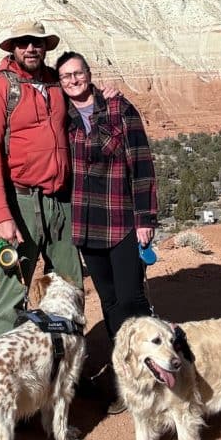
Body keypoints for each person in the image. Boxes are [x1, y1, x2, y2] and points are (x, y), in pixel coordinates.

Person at [56, 50, 157, 408]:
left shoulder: (118, 108)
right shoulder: (61, 117)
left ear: (89, 73)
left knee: (131, 299)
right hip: (86, 223)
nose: (73, 80)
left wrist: (146, 219)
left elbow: (142, 164)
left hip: (122, 220)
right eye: (66, 76)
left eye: (77, 73)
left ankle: (149, 375)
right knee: (111, 301)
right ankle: (125, 379)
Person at [0, 20, 83, 336]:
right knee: (12, 294)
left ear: (45, 47)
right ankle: (3, 377)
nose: (30, 48)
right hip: (21, 203)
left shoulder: (55, 83)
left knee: (69, 286)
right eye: (23, 43)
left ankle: (66, 372)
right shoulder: (0, 89)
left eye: (36, 42)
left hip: (60, 203)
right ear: (13, 48)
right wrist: (1, 216)